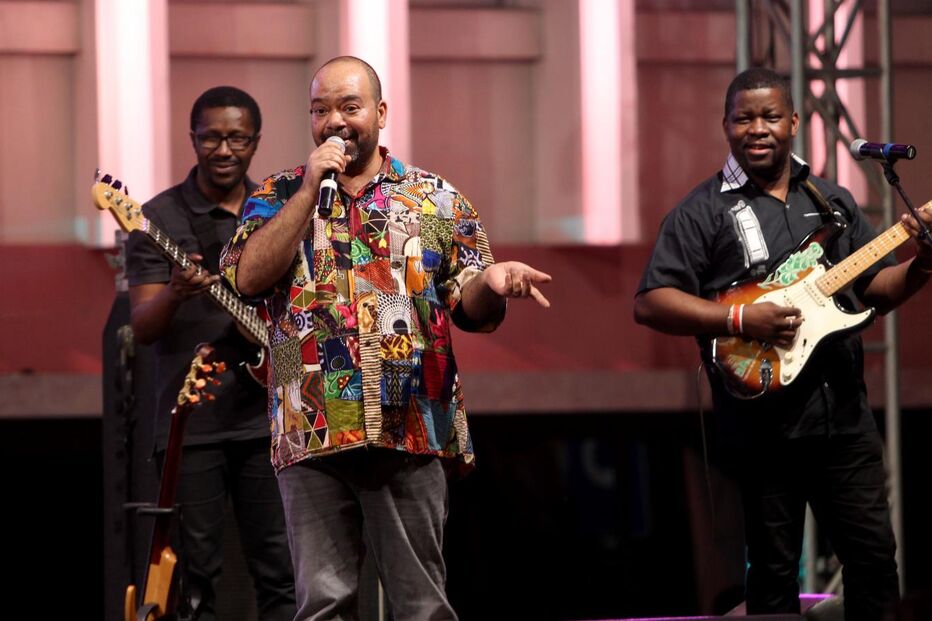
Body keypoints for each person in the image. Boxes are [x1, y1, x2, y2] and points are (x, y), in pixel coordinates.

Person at [219, 56, 551, 620]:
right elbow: (246, 278)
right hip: (313, 429)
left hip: (409, 425)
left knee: (420, 604)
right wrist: (307, 192)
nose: (334, 121)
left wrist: (492, 284)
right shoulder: (276, 196)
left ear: (380, 112)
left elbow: (469, 304)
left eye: (349, 107)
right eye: (319, 110)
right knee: (322, 604)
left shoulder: (434, 199)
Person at [634, 67, 932, 621]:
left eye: (771, 116)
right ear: (725, 125)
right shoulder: (702, 211)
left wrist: (922, 267)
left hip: (843, 417)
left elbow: (878, 289)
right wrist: (742, 319)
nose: (758, 128)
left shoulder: (833, 202)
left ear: (794, 122)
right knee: (772, 573)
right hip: (762, 425)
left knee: (874, 561)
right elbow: (652, 301)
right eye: (744, 118)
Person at [125, 86, 296, 621]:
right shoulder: (157, 221)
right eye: (212, 138)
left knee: (281, 576)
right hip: (191, 427)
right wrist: (176, 292)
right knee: (196, 583)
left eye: (237, 138)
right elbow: (143, 328)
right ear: (193, 140)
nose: (224, 150)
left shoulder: (275, 212)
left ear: (255, 141)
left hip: (267, 423)